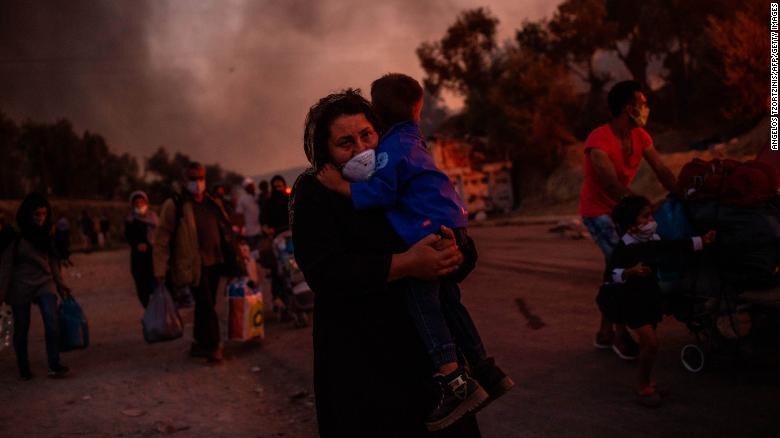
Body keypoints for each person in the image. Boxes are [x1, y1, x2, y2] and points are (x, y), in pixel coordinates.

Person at [317, 74, 511, 430]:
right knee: (446, 303)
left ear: (378, 123)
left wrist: (455, 255)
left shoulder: (391, 159)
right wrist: (407, 265)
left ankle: (457, 381)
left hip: (423, 364)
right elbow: (326, 272)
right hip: (372, 363)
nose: (360, 148)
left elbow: (460, 258)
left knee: (435, 303)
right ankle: (483, 370)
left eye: (365, 135)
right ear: (324, 150)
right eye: (345, 142)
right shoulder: (319, 193)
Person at [579, 80, 680, 359]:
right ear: (629, 107)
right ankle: (620, 336)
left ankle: (604, 332)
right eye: (643, 103)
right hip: (597, 211)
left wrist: (682, 194)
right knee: (625, 264)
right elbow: (610, 183)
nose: (647, 108)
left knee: (615, 268)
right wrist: (642, 206)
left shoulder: (641, 137)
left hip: (624, 210)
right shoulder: (598, 139)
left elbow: (661, 168)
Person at [597, 195, 715, 407]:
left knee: (649, 346)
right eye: (646, 216)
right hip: (631, 301)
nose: (651, 220)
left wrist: (700, 241)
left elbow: (671, 247)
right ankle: (642, 386)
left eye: (650, 215)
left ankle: (646, 382)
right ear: (632, 224)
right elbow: (611, 274)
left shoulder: (652, 240)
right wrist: (630, 272)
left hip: (649, 297)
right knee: (652, 343)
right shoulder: (625, 248)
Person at [153, 162, 237, 362]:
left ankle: (200, 343)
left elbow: (226, 230)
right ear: (184, 181)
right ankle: (215, 346)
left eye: (200, 178)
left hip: (215, 262)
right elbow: (162, 238)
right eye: (193, 178)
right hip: (193, 266)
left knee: (205, 304)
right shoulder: (175, 205)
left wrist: (235, 257)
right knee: (206, 304)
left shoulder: (211, 203)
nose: (197, 182)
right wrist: (159, 269)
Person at [0, 194, 71, 380]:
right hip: (20, 284)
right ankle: (24, 368)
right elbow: (6, 266)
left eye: (44, 213)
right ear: (27, 214)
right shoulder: (14, 234)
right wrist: (1, 294)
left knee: (51, 319)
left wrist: (61, 284)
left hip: (44, 281)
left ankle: (54, 364)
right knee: (22, 327)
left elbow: (53, 261)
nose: (41, 218)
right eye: (36, 214)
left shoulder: (48, 232)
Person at [125, 191, 158, 308]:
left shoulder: (154, 218)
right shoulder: (130, 220)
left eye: (142, 202)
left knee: (157, 288)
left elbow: (159, 237)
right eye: (136, 202)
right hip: (138, 259)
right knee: (142, 289)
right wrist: (137, 245)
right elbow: (128, 237)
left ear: (146, 202)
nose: (139, 205)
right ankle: (149, 314)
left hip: (153, 258)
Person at [236, 177, 262, 250]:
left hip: (261, 230)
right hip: (250, 232)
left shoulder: (258, 196)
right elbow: (239, 215)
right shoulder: (242, 199)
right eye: (250, 186)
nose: (252, 187)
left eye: (252, 185)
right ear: (246, 188)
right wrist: (241, 230)